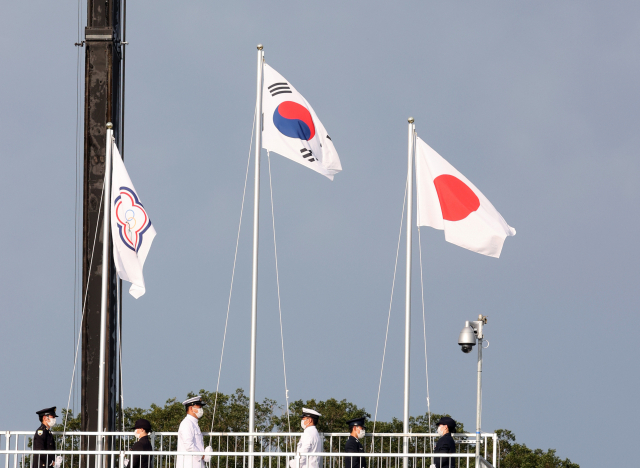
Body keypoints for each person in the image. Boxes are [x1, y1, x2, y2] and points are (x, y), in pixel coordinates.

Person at [177, 396, 210, 468]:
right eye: (199, 407)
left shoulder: (193, 423)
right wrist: (203, 456)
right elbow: (189, 445)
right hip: (188, 464)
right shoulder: (186, 423)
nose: (201, 409)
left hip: (196, 464)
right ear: (191, 408)